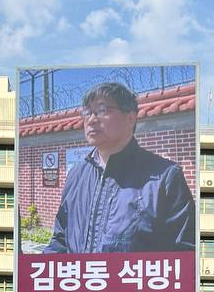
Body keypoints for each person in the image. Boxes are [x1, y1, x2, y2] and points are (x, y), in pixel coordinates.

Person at [44, 81, 195, 254]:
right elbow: (60, 240)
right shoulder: (76, 175)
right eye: (87, 112)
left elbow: (185, 254)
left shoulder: (165, 178)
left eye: (102, 110)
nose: (91, 120)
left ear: (130, 118)